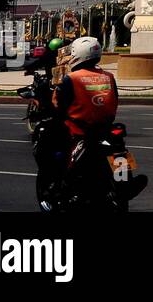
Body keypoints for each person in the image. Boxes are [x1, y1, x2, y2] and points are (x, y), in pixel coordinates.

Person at [34, 36, 123, 209]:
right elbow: (115, 100)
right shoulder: (109, 76)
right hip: (105, 127)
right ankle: (122, 182)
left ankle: (58, 182)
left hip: (79, 129)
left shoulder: (72, 78)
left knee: (47, 142)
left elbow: (59, 104)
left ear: (77, 54)